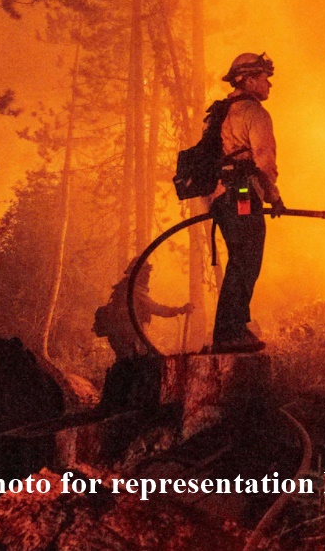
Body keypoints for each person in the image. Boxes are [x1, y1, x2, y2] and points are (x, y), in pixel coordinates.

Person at [207, 52, 284, 353]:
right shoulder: (254, 113)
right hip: (242, 194)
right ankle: (230, 332)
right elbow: (264, 160)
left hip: (220, 197)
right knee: (247, 259)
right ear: (249, 80)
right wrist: (273, 196)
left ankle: (232, 329)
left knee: (239, 258)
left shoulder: (219, 113)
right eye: (265, 78)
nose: (269, 85)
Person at [92, 261, 192, 411]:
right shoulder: (134, 291)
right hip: (129, 337)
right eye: (145, 273)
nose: (147, 276)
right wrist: (180, 310)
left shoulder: (124, 288)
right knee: (139, 366)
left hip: (122, 337)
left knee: (126, 366)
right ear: (138, 273)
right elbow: (156, 309)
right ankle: (129, 406)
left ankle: (118, 404)